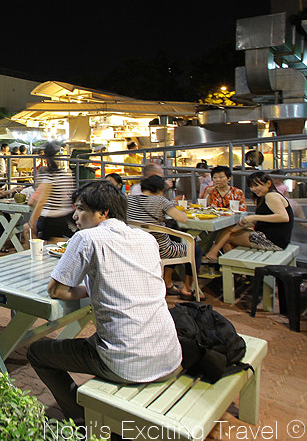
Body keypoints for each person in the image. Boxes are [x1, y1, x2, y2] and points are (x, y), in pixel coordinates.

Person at [27, 180, 182, 422]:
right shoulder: (146, 238)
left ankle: (80, 420)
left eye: (81, 209)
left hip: (126, 363)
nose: (75, 216)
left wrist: (90, 290)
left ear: (103, 212)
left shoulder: (87, 238)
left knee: (37, 352)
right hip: (170, 355)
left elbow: (56, 290)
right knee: (98, 340)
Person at [127, 174, 203, 299]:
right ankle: (187, 289)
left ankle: (168, 282)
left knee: (174, 239)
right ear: (160, 190)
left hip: (135, 248)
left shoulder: (128, 200)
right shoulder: (160, 201)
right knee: (196, 251)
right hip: (160, 250)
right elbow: (182, 218)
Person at [204, 171, 294, 261]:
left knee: (226, 237)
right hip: (274, 237)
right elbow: (268, 217)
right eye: (251, 186)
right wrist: (248, 223)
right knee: (228, 231)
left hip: (273, 240)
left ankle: (220, 260)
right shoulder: (266, 196)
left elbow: (284, 217)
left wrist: (254, 217)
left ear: (268, 183)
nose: (253, 189)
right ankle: (220, 259)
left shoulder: (271, 196)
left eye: (256, 185)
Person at [23, 142, 75, 249]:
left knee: (48, 245)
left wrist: (32, 222)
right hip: (66, 215)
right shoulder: (65, 175)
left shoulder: (49, 176)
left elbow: (42, 201)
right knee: (56, 244)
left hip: (51, 218)